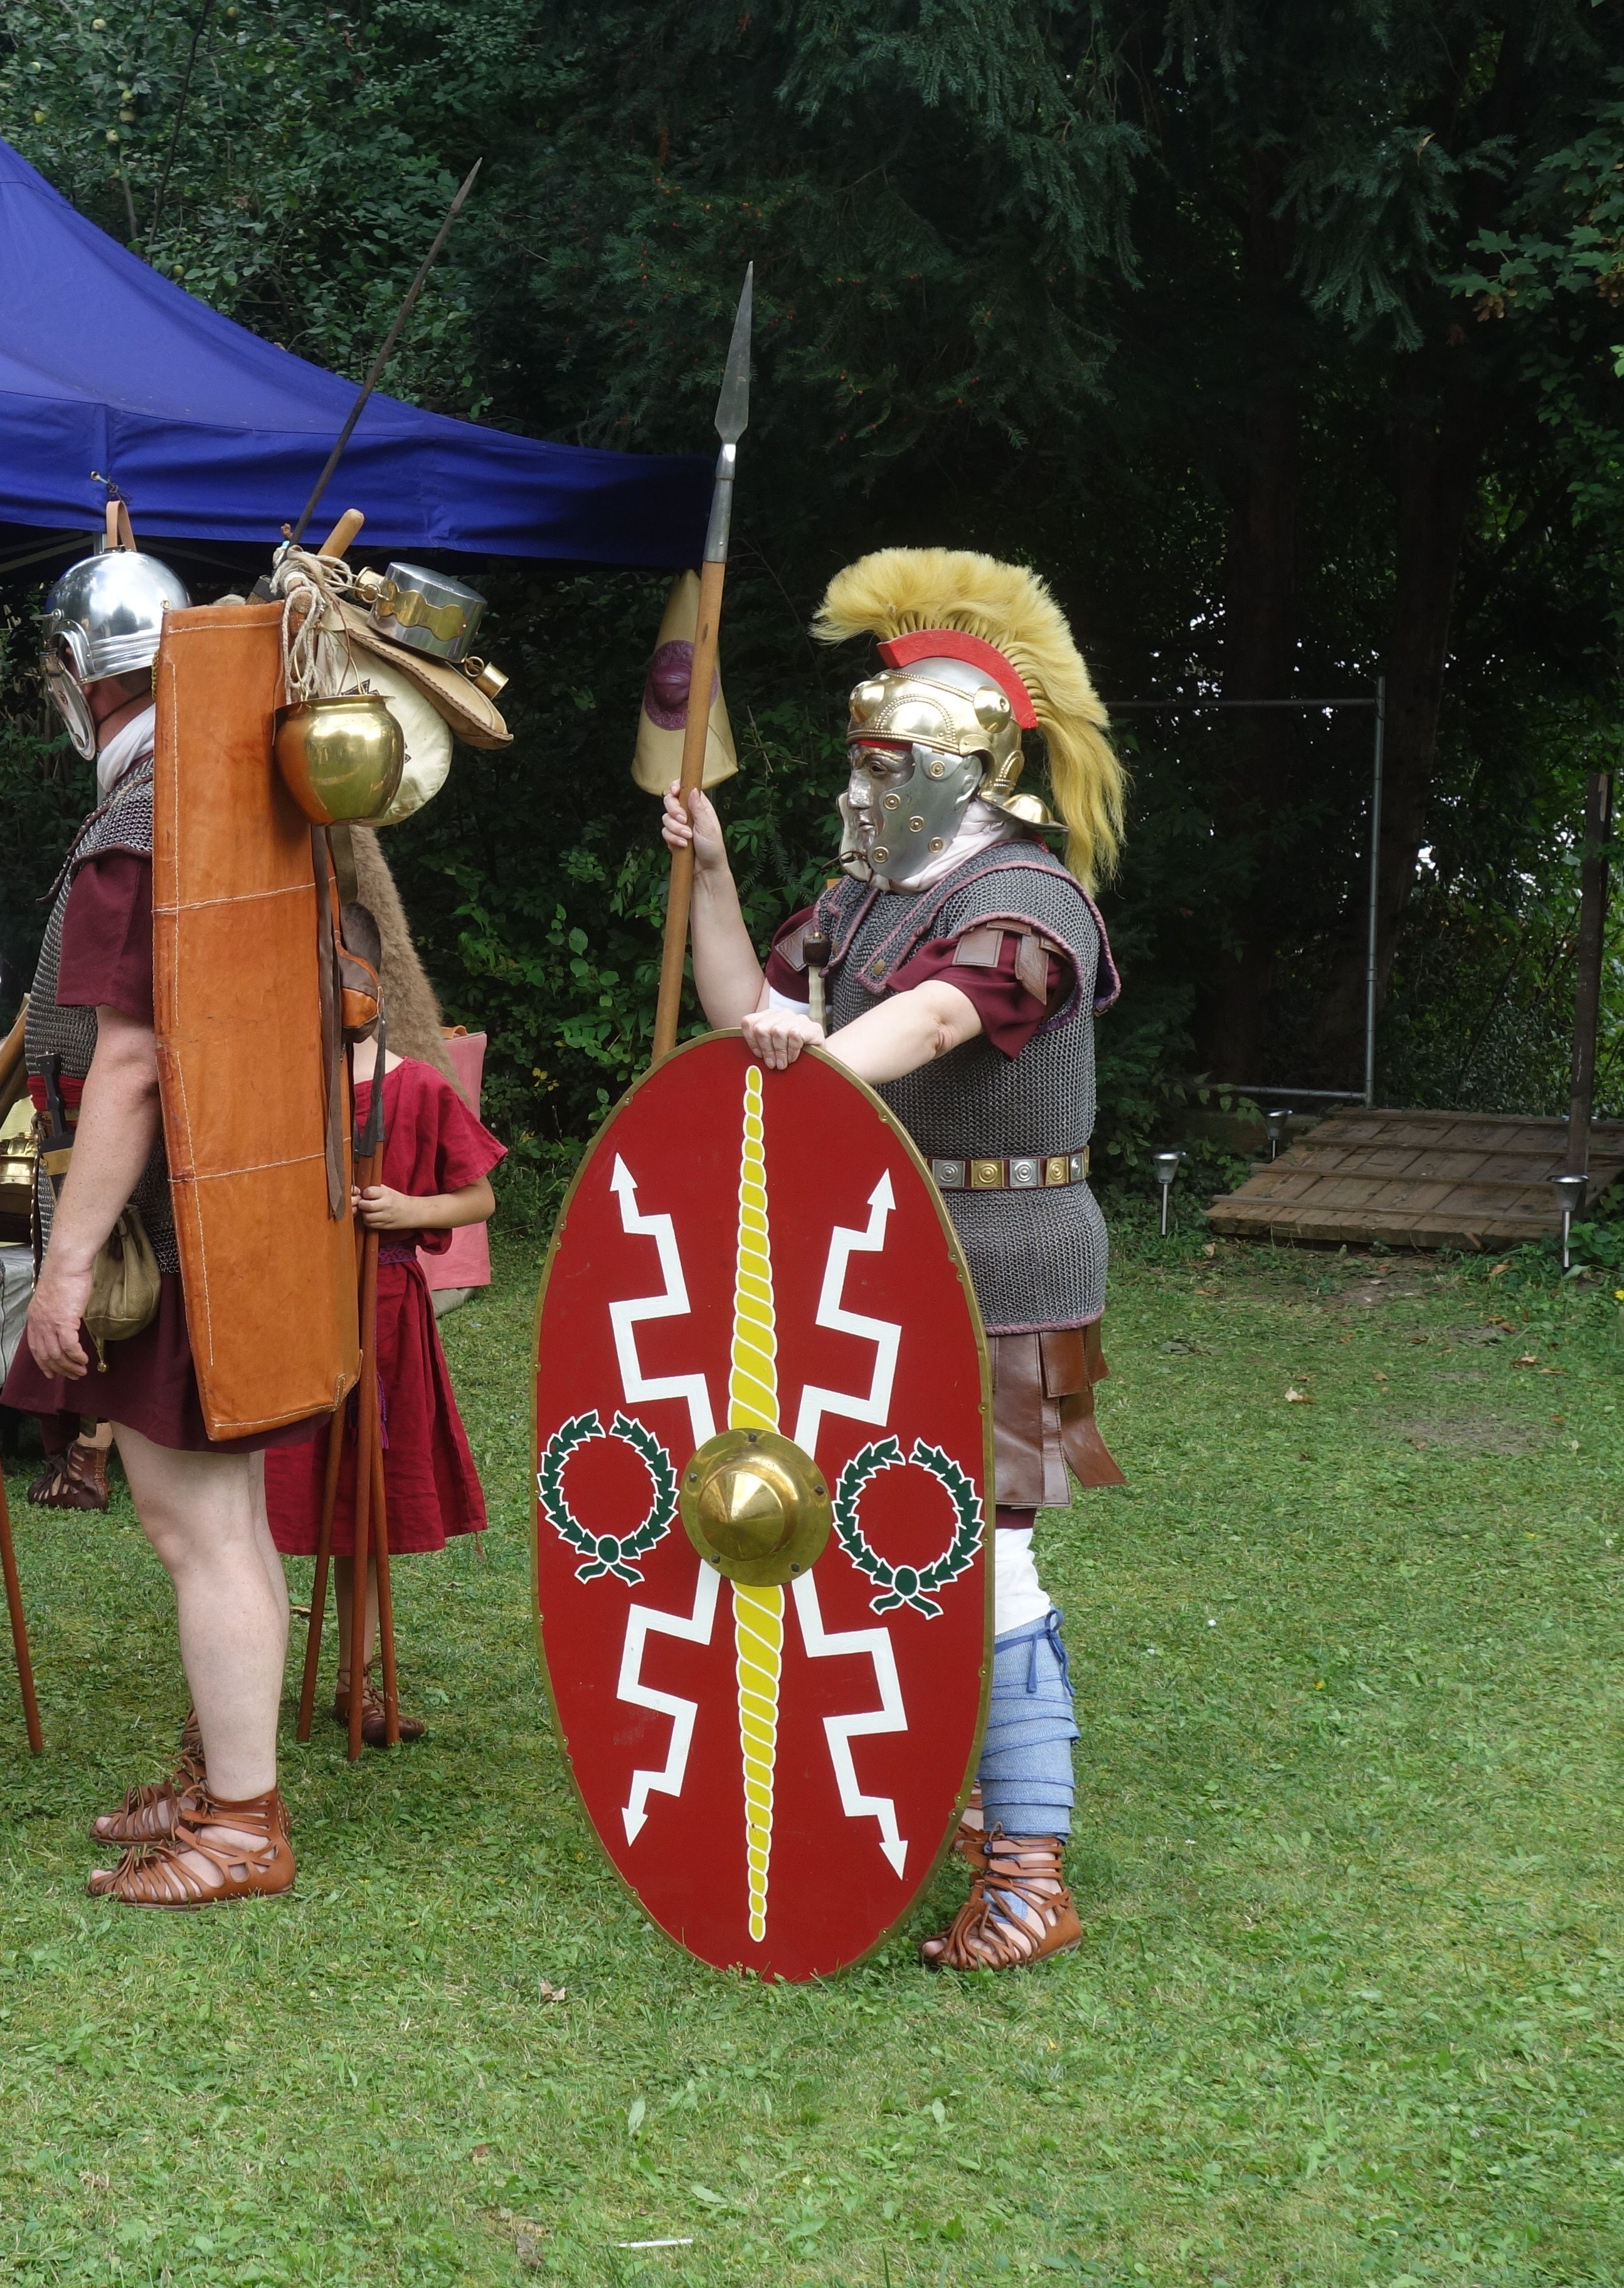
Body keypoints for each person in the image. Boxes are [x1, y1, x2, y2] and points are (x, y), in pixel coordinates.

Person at [659, 545, 1126, 1973]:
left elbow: (924, 1027)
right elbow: (749, 1006)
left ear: (956, 768)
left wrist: (809, 1073)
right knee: (885, 1540)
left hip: (1002, 1262)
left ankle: (1026, 1867)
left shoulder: (1026, 902)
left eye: (879, 768)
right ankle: (970, 1807)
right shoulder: (868, 900)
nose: (854, 793)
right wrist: (719, 880)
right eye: (851, 766)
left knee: (985, 1560)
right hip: (879, 1255)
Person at [0, 534, 319, 1907]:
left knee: (198, 1527)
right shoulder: (224, 794)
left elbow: (131, 1059)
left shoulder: (146, 819)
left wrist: (67, 1263)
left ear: (82, 680)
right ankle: (221, 1773)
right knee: (226, 1518)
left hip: (171, 1220)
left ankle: (242, 1822)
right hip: (233, 1204)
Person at [263, 1033, 504, 1741]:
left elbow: (477, 1197)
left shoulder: (419, 1088)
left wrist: (410, 1210)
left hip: (383, 1308)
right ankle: (237, 1682)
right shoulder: (276, 1076)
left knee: (363, 1504)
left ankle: (353, 1681)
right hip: (289, 1308)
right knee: (262, 1504)